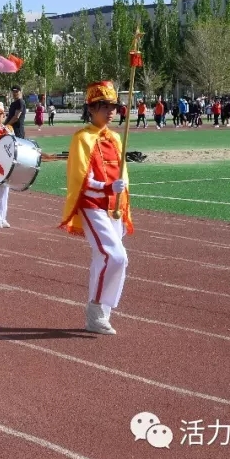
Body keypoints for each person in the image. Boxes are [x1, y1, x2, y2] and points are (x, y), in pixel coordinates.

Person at [61, 80, 132, 335]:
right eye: (104, 106)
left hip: (114, 206)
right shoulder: (82, 138)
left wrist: (121, 199)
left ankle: (102, 315)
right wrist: (106, 188)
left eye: (113, 106)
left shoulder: (115, 137)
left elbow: (121, 173)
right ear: (91, 108)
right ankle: (95, 310)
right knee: (116, 256)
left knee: (105, 260)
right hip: (92, 205)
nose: (110, 111)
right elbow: (80, 180)